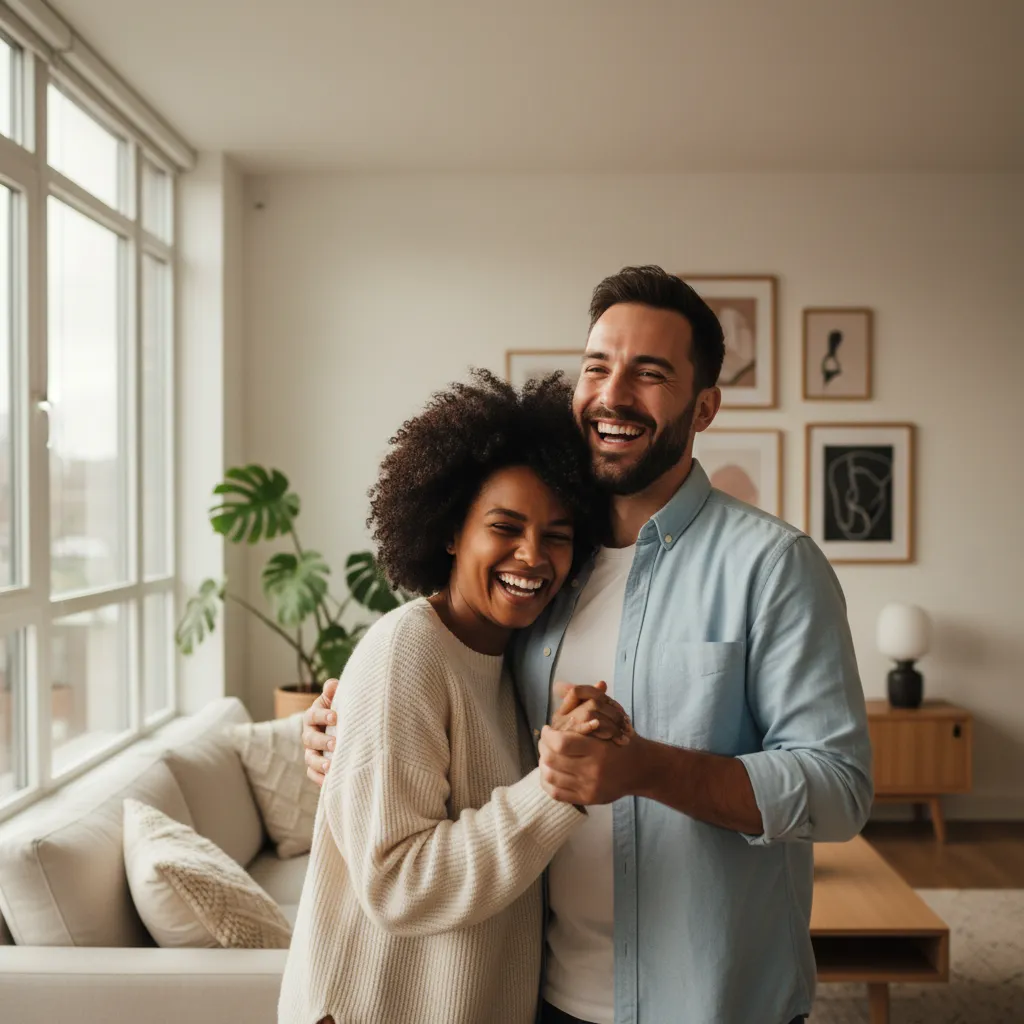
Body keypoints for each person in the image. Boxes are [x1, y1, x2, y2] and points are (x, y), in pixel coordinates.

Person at [304, 266, 873, 1024]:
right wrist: (332, 734)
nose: (612, 395)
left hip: (713, 1003)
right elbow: (452, 702)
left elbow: (838, 789)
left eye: (650, 374)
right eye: (598, 367)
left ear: (704, 407)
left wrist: (649, 769)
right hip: (541, 998)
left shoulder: (772, 565)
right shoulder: (544, 575)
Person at [279, 371, 631, 1024]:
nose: (533, 555)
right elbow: (397, 884)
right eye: (506, 526)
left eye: (557, 533)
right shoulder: (407, 651)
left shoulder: (510, 657)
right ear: (449, 532)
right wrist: (557, 787)